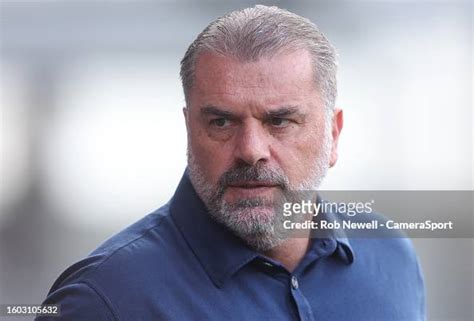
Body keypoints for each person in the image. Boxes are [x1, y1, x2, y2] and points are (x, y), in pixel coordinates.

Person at [37, 5, 425, 321]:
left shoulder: (389, 255)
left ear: (333, 136)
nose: (250, 149)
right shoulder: (105, 300)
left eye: (280, 121)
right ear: (190, 130)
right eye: (222, 122)